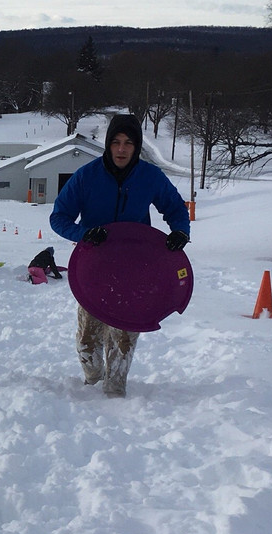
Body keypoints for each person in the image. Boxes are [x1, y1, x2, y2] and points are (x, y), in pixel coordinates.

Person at [49, 113, 190, 397]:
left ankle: (115, 396)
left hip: (136, 271)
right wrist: (84, 234)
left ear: (137, 146)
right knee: (87, 341)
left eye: (128, 143)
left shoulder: (150, 177)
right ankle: (92, 382)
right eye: (116, 142)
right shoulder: (86, 177)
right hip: (94, 271)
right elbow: (59, 218)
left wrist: (180, 232)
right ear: (108, 145)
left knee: (122, 339)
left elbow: (175, 208)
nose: (122, 149)